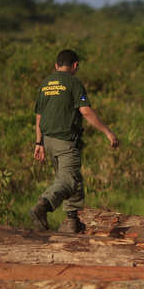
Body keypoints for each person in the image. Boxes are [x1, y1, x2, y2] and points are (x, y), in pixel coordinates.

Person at [30, 49, 119, 233]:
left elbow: (39, 115)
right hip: (65, 141)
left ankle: (72, 222)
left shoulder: (46, 83)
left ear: (56, 65)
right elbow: (85, 111)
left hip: (48, 140)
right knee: (68, 181)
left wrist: (39, 143)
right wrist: (108, 132)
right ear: (75, 65)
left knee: (74, 179)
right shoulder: (74, 82)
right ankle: (43, 205)